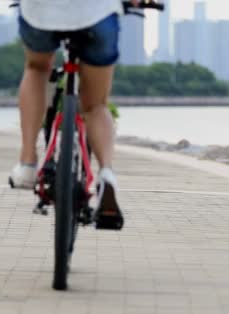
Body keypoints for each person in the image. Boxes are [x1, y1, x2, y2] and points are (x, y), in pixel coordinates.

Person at [9, 0, 138, 225]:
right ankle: (106, 174)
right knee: (95, 104)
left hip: (41, 13)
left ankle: (28, 162)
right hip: (98, 14)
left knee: (37, 68)